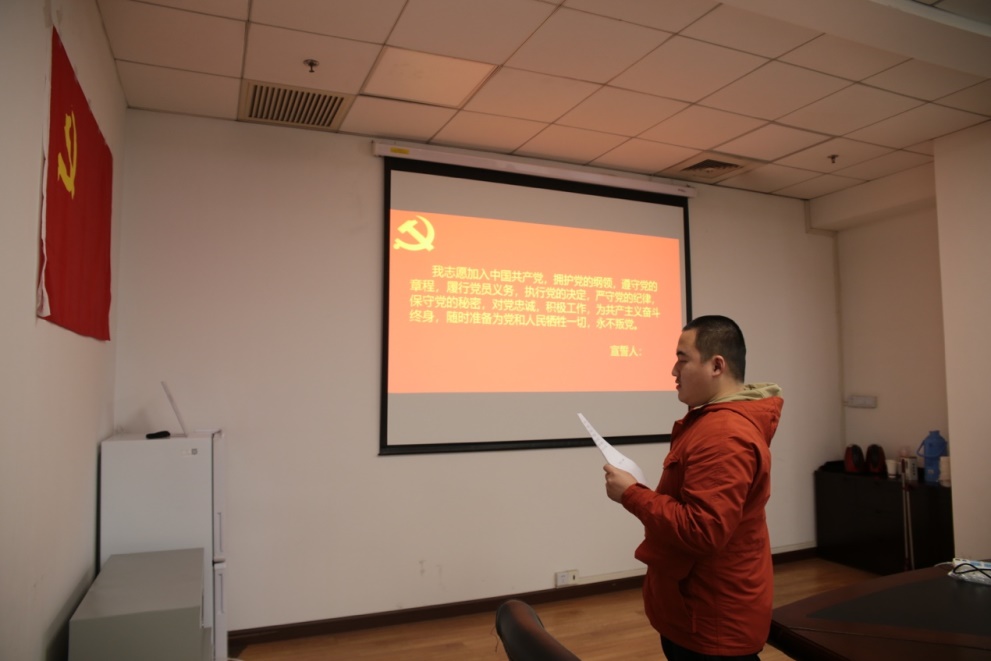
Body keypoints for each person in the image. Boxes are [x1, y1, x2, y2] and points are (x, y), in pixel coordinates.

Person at [604, 315, 783, 661]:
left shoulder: (724, 434)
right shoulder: (714, 422)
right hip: (695, 611)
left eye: (682, 359)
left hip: (712, 620)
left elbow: (703, 530)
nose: (674, 371)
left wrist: (631, 494)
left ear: (716, 366)